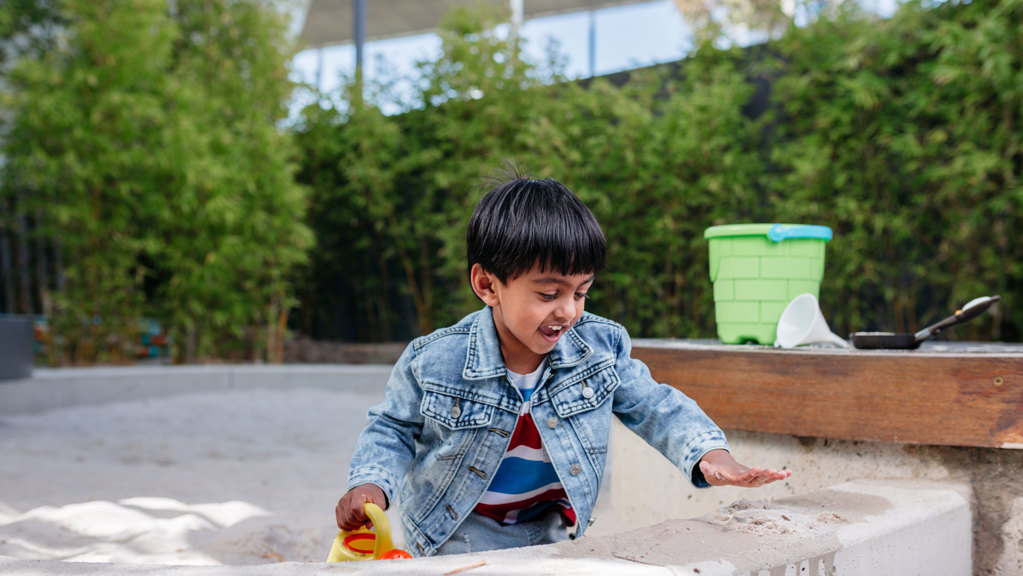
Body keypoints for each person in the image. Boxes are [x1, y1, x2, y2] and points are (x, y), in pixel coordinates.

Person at [335, 175, 790, 557]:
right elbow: (392, 428)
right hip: (453, 532)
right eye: (548, 294)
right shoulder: (435, 360)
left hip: (550, 532)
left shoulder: (599, 349)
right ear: (487, 285)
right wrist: (371, 483)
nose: (568, 311)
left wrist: (710, 455)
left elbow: (655, 405)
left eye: (581, 292)